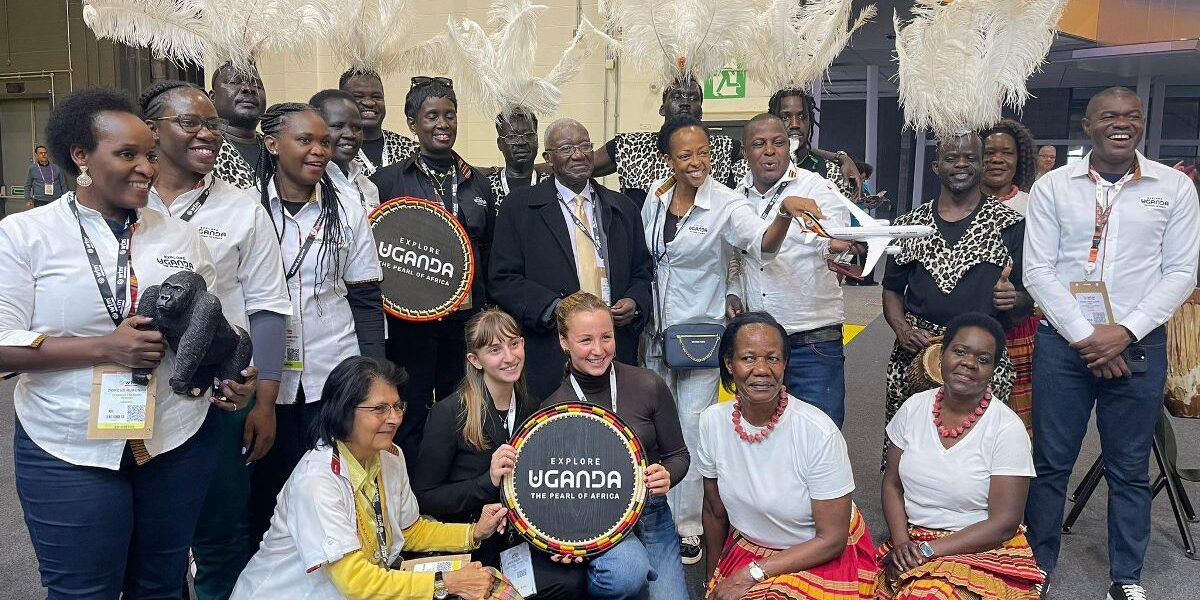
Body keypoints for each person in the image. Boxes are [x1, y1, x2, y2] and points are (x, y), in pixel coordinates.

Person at [0, 87, 255, 598]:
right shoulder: (26, 235)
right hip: (68, 443)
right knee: (82, 591)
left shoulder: (180, 237)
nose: (146, 168)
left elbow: (212, 327)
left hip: (176, 437)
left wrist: (230, 375)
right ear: (81, 156)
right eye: (127, 154)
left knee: (161, 586)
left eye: (150, 155)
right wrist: (106, 348)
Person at [1023, 87, 1200, 600]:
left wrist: (1123, 333)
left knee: (1129, 467)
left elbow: (1181, 272)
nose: (1121, 124)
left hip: (1138, 344)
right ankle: (1036, 569)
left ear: (1142, 124)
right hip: (1064, 344)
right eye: (1109, 116)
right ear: (1087, 125)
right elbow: (1038, 269)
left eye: (1132, 116)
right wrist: (1088, 338)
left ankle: (1126, 578)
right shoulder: (1054, 186)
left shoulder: (1174, 187)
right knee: (1051, 462)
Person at [643, 114, 825, 565]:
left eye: (704, 153)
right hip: (654, 334)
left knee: (691, 426)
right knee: (654, 428)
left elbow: (762, 245)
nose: (697, 162)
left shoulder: (726, 203)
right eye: (686, 155)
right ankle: (653, 516)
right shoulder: (656, 195)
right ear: (669, 160)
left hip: (699, 334)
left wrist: (783, 213)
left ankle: (687, 526)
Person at [139, 80, 293, 599]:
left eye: (212, 125)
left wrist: (264, 400)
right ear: (152, 130)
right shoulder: (126, 199)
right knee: (151, 541)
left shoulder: (242, 209)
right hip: (131, 390)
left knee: (221, 535)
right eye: (191, 123)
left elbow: (268, 308)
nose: (207, 134)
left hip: (219, 395)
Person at [231, 356, 508, 599]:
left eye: (397, 407)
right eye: (379, 409)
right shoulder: (316, 482)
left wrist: (474, 532)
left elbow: (409, 531)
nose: (394, 418)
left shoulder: (390, 456)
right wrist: (447, 583)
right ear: (343, 411)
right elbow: (357, 582)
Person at [248, 102, 386, 543]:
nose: (319, 150)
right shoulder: (247, 207)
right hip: (264, 374)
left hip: (333, 371)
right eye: (305, 140)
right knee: (266, 491)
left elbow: (365, 296)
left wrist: (374, 375)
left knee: (333, 488)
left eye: (324, 142)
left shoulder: (346, 207)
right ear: (272, 144)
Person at [699, 312, 875, 600]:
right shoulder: (712, 422)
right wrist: (712, 579)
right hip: (750, 547)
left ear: (784, 365)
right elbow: (714, 509)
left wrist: (752, 573)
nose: (761, 369)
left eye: (772, 358)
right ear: (729, 364)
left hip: (817, 554)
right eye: (748, 358)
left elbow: (832, 540)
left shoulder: (818, 432)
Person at [413, 308, 587, 599]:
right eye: (494, 350)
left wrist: (559, 539)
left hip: (518, 543)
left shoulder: (531, 407)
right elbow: (425, 497)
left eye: (514, 344)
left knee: (572, 579)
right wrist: (488, 481)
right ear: (475, 360)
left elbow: (541, 487)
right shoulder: (449, 413)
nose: (509, 357)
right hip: (470, 544)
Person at [881, 132, 1031, 467]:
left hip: (982, 355)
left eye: (970, 158)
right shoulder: (910, 225)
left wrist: (1014, 298)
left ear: (982, 164)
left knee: (979, 450)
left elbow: (1027, 299)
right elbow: (891, 289)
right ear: (936, 166)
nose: (961, 164)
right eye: (951, 158)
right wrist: (902, 329)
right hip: (917, 353)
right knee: (909, 450)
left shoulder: (1010, 225)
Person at [370, 77, 495, 471]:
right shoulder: (388, 181)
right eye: (432, 116)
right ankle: (410, 491)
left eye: (450, 115)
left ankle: (457, 486)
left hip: (464, 322)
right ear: (413, 123)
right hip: (411, 324)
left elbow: (488, 250)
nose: (443, 124)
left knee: (464, 409)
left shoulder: (478, 182)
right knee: (410, 410)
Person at [876, 313, 1042, 599]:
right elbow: (892, 484)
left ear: (993, 370)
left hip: (979, 547)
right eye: (960, 351)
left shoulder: (1007, 428)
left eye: (983, 359)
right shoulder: (913, 408)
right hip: (912, 540)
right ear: (941, 355)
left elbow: (1003, 524)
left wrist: (928, 551)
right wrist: (902, 543)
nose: (969, 363)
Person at [489, 118, 653, 398]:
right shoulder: (519, 208)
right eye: (566, 148)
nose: (578, 155)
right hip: (550, 351)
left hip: (613, 349)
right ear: (548, 158)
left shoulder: (623, 207)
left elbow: (643, 270)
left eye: (585, 145)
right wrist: (555, 308)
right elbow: (503, 279)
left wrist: (635, 302)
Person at [544, 292, 691, 600]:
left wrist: (667, 474)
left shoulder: (647, 384)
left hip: (651, 514)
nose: (598, 350)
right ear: (563, 342)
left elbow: (678, 455)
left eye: (606, 337)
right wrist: (563, 536)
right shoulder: (552, 411)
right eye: (585, 340)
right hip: (595, 522)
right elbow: (549, 491)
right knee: (625, 576)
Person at [726, 114, 853, 427]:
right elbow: (736, 257)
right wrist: (733, 291)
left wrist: (836, 246)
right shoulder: (736, 199)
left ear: (789, 147)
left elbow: (831, 242)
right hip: (759, 345)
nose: (770, 151)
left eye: (778, 142)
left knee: (820, 432)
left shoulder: (817, 188)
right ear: (745, 151)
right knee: (762, 435)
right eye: (759, 144)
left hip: (812, 341)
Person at [592, 78, 739, 206]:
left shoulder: (723, 147)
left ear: (701, 111)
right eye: (676, 97)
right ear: (662, 109)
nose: (685, 103)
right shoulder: (630, 145)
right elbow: (583, 167)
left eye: (693, 99)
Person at [979, 118, 1039, 432]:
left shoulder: (1034, 207)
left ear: (1020, 159)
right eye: (988, 153)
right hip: (965, 324)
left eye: (1007, 153)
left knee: (1016, 422)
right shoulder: (958, 204)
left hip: (1018, 326)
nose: (997, 159)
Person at [730, 89, 864, 200]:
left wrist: (841, 158)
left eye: (802, 116)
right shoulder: (741, 171)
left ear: (810, 120)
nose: (795, 124)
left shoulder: (833, 173)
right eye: (785, 117)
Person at [310, 88, 381, 212]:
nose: (350, 135)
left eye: (357, 128)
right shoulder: (307, 184)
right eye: (338, 126)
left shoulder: (369, 187)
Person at [340, 69, 418, 176]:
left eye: (376, 97)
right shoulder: (333, 152)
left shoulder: (412, 151)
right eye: (358, 97)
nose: (369, 102)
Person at [209, 62, 267, 189]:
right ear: (212, 97)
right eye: (234, 82)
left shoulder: (275, 148)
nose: (249, 89)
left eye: (257, 85)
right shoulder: (205, 147)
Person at [487, 109, 546, 208]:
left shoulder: (551, 185)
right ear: (500, 144)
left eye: (529, 135)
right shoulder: (485, 187)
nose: (521, 142)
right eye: (512, 136)